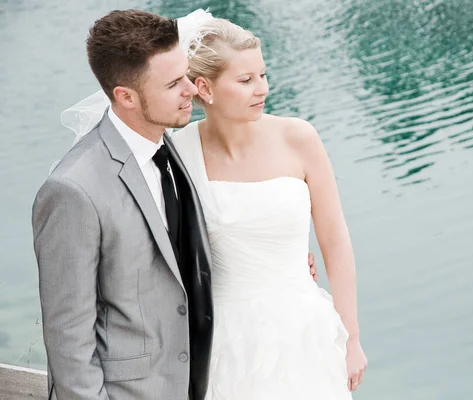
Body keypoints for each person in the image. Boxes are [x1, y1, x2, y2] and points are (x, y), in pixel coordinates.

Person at [33, 9, 318, 400]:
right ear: (126, 97)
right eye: (173, 84)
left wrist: (272, 257)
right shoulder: (73, 190)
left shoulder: (171, 148)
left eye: (186, 74)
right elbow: (68, 337)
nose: (191, 89)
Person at [170, 11, 367, 399]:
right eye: (245, 80)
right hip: (223, 340)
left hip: (303, 331)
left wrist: (351, 338)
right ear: (204, 88)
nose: (262, 88)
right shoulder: (178, 153)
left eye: (263, 74)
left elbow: (335, 241)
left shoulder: (299, 137)